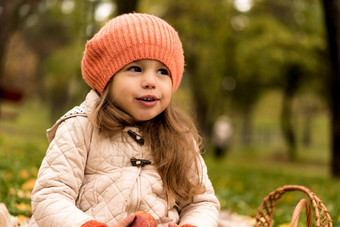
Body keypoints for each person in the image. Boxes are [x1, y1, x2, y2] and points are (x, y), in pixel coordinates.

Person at [29, 13, 220, 227]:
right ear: (107, 78)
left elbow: (201, 203)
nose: (150, 81)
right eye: (135, 69)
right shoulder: (81, 126)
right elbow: (50, 197)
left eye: (162, 71)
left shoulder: (180, 138)